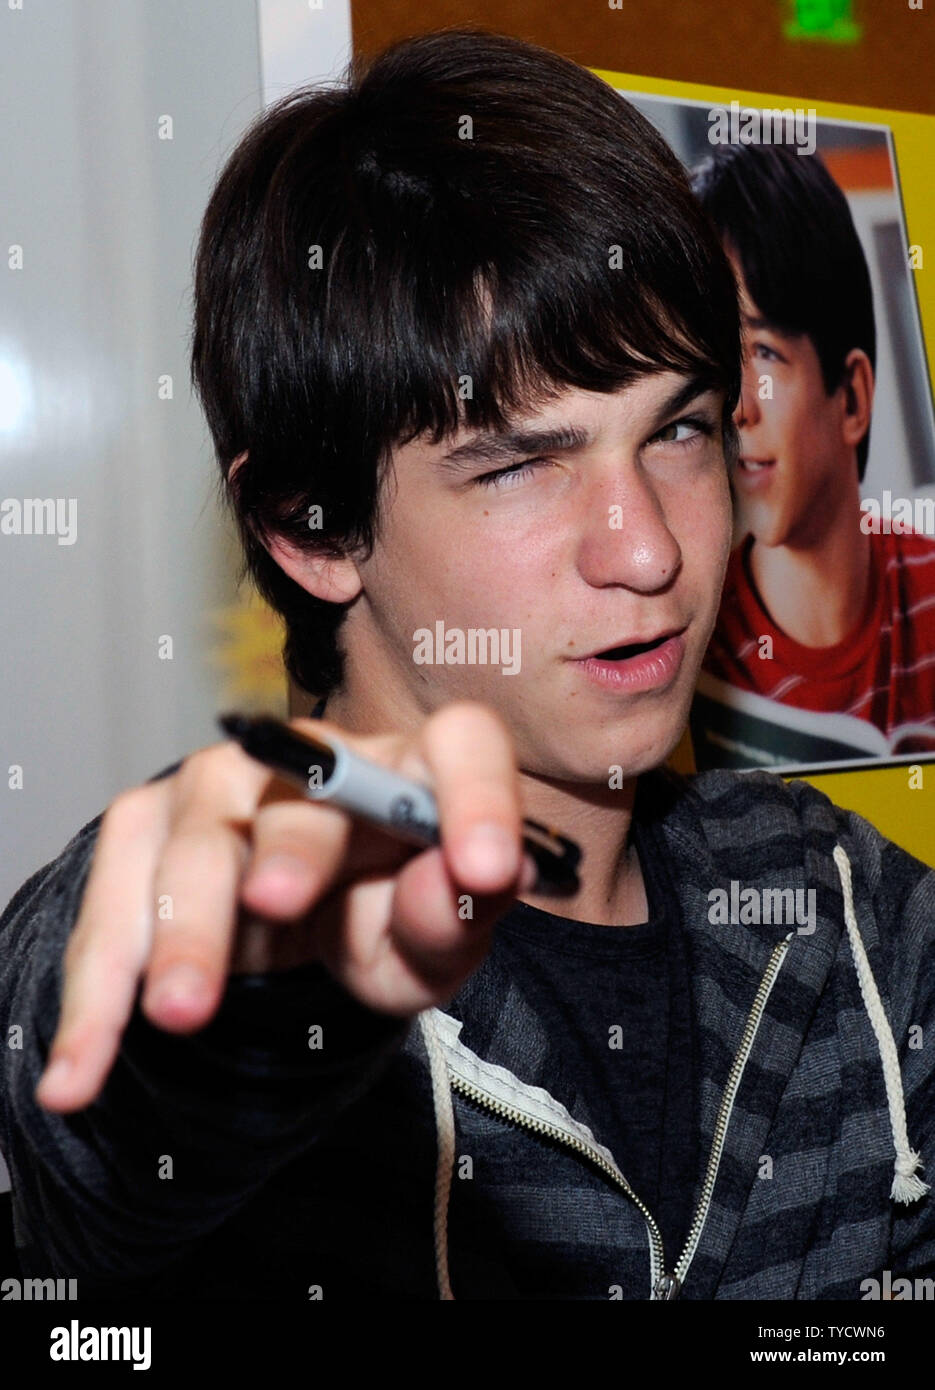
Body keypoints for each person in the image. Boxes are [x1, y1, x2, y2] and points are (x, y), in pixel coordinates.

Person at [1, 29, 932, 1303]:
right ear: (310, 527)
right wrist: (229, 985)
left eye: (678, 431)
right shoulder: (244, 906)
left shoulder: (845, 909)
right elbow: (105, 1111)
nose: (648, 549)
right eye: (518, 463)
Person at [689, 142, 935, 770]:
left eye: (765, 353)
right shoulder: (695, 650)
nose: (736, 408)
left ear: (852, 397)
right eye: (717, 361)